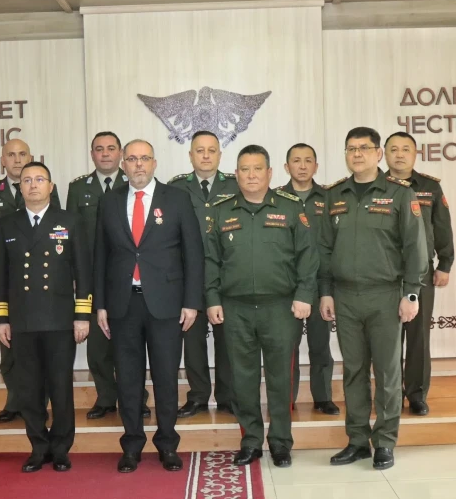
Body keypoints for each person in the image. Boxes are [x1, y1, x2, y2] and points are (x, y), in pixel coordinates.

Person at [318, 127, 427, 470]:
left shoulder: (399, 194)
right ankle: (357, 440)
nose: (357, 154)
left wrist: (411, 293)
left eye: (364, 148)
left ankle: (384, 442)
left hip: (385, 295)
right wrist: (325, 292)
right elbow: (324, 249)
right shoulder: (334, 195)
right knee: (353, 372)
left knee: (387, 372)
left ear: (378, 154)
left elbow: (415, 247)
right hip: (345, 296)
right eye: (351, 148)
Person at [94, 139, 204, 473]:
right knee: (127, 379)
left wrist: (192, 302)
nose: (138, 165)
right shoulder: (109, 201)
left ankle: (167, 444)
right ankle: (131, 445)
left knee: (166, 377)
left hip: (167, 305)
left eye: (144, 158)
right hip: (123, 304)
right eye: (132, 159)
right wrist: (100, 304)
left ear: (155, 163)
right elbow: (100, 255)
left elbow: (193, 253)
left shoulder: (177, 199)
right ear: (123, 165)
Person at [205, 145, 318, 468]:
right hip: (236, 308)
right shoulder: (221, 211)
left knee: (281, 378)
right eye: (244, 169)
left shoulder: (291, 207)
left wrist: (304, 295)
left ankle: (281, 442)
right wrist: (212, 298)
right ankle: (251, 440)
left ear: (270, 173)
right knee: (243, 378)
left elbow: (308, 256)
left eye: (257, 169)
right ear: (236, 174)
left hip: (280, 308)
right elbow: (210, 260)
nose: (251, 175)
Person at [0, 161, 91, 473]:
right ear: (20, 188)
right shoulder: (7, 224)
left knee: (60, 387)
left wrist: (82, 315)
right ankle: (38, 446)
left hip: (59, 319)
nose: (33, 185)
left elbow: (83, 272)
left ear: (51, 186)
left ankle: (60, 448)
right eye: (27, 180)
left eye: (39, 179)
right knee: (29, 388)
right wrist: (1, 319)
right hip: (22, 321)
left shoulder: (70, 221)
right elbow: (0, 276)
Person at [65, 131, 150, 420]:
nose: (105, 153)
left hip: (129, 275)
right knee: (99, 346)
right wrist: (74, 273)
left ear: (121, 155)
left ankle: (136, 398)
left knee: (132, 343)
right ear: (92, 154)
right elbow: (71, 234)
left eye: (111, 148)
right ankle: (105, 397)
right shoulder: (79, 188)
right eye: (99, 149)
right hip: (92, 277)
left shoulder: (136, 184)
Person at [0, 138, 60, 424]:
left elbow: (58, 232)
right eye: (11, 155)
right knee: (9, 344)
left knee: (42, 346)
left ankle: (40, 403)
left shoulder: (46, 187)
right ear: (3, 160)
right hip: (7, 279)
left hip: (42, 279)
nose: (17, 159)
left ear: (30, 156)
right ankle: (15, 401)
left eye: (22, 154)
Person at [168, 131, 238, 418]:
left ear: (220, 155)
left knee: (228, 340)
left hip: (227, 275)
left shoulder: (234, 185)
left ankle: (228, 396)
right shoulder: (175, 188)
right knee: (192, 341)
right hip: (189, 278)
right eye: (200, 150)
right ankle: (197, 396)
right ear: (190, 155)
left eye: (211, 150)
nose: (206, 155)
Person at [384, 132, 454, 416]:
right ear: (384, 154)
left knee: (418, 337)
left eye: (405, 149)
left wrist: (445, 264)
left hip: (421, 272)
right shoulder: (376, 187)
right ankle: (390, 394)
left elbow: (442, 226)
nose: (399, 155)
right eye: (393, 149)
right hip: (385, 273)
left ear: (415, 154)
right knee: (386, 338)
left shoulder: (429, 187)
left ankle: (416, 395)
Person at [281, 143, 338, 415]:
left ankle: (323, 397)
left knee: (320, 345)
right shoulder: (277, 199)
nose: (302, 166)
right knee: (286, 347)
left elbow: (333, 243)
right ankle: (286, 399)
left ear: (316, 166)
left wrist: (328, 288)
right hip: (286, 286)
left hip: (320, 285)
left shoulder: (329, 198)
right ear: (286, 167)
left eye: (307, 161)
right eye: (296, 160)